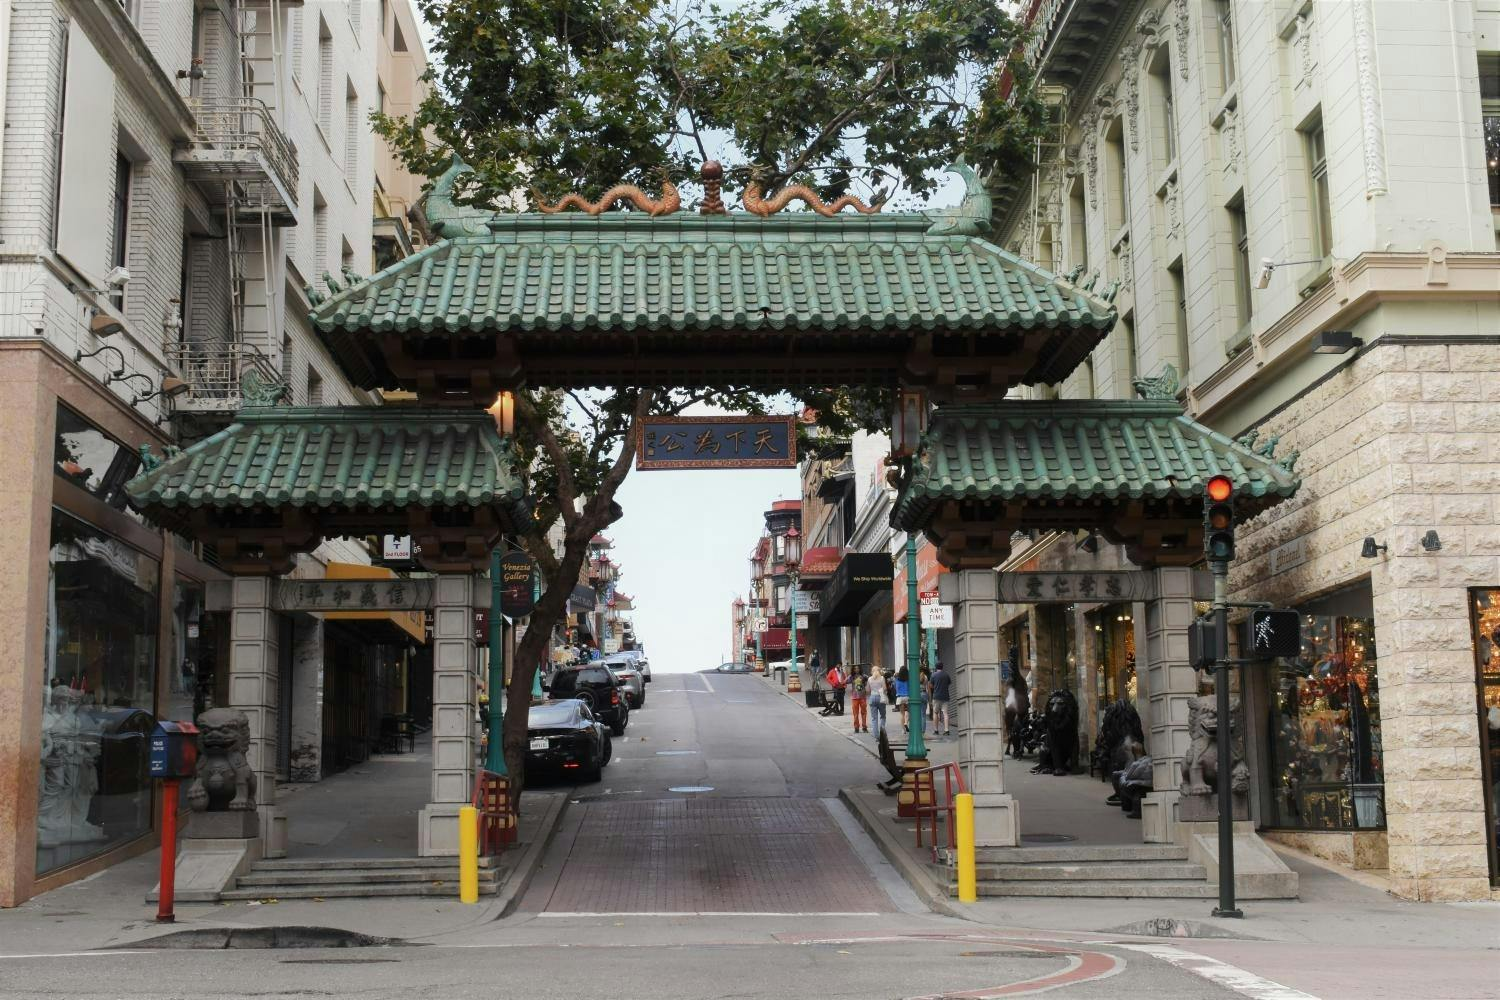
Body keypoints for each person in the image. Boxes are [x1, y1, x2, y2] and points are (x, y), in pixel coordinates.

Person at [930, 660, 952, 737]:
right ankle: (946, 730)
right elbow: (949, 683)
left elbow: (931, 686)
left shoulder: (933, 675)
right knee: (945, 713)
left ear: (936, 667)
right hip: (945, 696)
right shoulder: (946, 675)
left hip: (936, 696)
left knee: (935, 713)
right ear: (942, 667)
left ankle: (936, 730)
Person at [867, 666, 888, 740]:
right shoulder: (882, 678)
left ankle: (876, 736)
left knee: (874, 718)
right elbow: (885, 688)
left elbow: (868, 690)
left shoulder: (869, 679)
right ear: (879, 671)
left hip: (872, 697)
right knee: (883, 716)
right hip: (880, 698)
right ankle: (882, 733)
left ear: (872, 671)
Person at [849, 666, 869, 733]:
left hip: (862, 697)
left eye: (858, 668)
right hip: (854, 697)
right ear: (853, 670)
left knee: (864, 712)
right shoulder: (851, 677)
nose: (857, 669)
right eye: (855, 668)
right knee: (855, 713)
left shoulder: (864, 676)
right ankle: (856, 727)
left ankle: (864, 727)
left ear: (860, 669)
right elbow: (844, 681)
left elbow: (870, 680)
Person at [894, 666, 910, 732]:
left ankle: (903, 730)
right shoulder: (908, 679)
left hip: (900, 697)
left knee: (902, 714)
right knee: (908, 711)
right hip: (907, 697)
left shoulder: (897, 679)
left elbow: (896, 688)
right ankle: (906, 722)